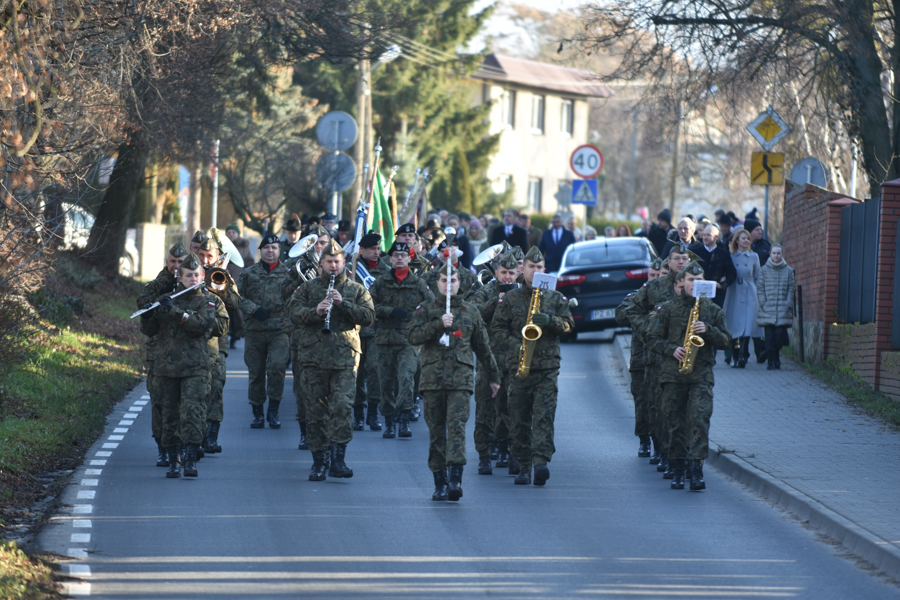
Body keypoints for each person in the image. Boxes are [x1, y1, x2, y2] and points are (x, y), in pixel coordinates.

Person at [409, 262, 500, 501]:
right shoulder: (426, 309)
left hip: (460, 379)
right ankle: (439, 481)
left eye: (453, 281)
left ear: (460, 283)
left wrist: (494, 377)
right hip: (432, 380)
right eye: (443, 281)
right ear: (436, 283)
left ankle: (455, 480)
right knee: (437, 432)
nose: (448, 285)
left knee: (457, 428)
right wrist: (439, 324)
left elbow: (483, 347)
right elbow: (412, 336)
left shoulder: (471, 311)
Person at [289, 239, 375, 481]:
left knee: (341, 407)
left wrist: (343, 304)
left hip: (345, 360)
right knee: (315, 412)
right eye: (328, 262)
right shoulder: (307, 289)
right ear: (321, 264)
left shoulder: (356, 289)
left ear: (344, 262)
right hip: (312, 359)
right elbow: (293, 312)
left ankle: (338, 458)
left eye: (337, 262)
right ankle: (319, 461)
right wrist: (315, 312)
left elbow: (369, 316)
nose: (333, 266)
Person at [491, 246, 574, 486]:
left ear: (544, 270)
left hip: (547, 367)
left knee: (544, 417)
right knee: (519, 418)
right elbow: (497, 330)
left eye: (539, 268)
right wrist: (516, 346)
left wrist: (551, 321)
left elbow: (568, 326)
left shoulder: (556, 297)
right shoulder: (511, 298)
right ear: (521, 269)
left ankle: (540, 462)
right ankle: (523, 466)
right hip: (518, 368)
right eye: (530, 267)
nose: (534, 271)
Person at [139, 253, 228, 478]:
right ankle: (173, 459)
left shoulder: (207, 301)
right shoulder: (167, 298)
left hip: (195, 368)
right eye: (188, 275)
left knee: (192, 413)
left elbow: (201, 324)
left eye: (196, 275)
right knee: (169, 415)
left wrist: (175, 312)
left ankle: (189, 459)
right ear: (179, 276)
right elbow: (149, 331)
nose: (192, 279)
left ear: (202, 276)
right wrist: (149, 315)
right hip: (166, 368)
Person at [647, 262, 731, 490]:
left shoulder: (713, 310)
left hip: (701, 375)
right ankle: (677, 467)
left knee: (699, 420)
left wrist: (709, 330)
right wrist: (671, 349)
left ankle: (696, 470)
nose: (694, 284)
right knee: (674, 424)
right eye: (690, 280)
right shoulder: (667, 309)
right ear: (681, 283)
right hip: (673, 375)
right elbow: (652, 339)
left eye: (699, 280)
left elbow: (727, 341)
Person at [624, 241, 695, 472]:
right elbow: (630, 309)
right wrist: (647, 328)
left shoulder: (697, 285)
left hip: (690, 360)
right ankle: (663, 451)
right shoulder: (655, 287)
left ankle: (684, 458)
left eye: (685, 259)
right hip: (657, 360)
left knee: (686, 411)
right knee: (659, 408)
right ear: (669, 261)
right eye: (677, 259)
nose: (681, 262)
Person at [370, 241, 435, 438]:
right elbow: (369, 306)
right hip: (384, 339)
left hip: (408, 340)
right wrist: (390, 311)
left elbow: (431, 305)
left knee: (406, 378)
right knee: (386, 383)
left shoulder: (419, 283)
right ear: (390, 259)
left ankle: (404, 419)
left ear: (409, 258)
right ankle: (389, 422)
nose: (399, 258)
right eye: (396, 255)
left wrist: (416, 315)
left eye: (403, 255)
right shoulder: (381, 282)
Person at [466, 251, 520, 473]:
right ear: (496, 273)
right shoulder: (486, 291)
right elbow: (473, 313)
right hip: (489, 360)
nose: (507, 277)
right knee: (485, 408)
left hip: (512, 359)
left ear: (518, 273)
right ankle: (484, 455)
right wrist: (495, 301)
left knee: (510, 409)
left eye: (511, 273)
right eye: (503, 273)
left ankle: (509, 450)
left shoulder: (523, 294)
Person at [137, 241, 188, 467]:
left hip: (186, 352)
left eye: (180, 262)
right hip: (159, 351)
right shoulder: (158, 282)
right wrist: (165, 289)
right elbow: (142, 301)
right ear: (166, 262)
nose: (176, 266)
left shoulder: (193, 281)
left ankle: (183, 447)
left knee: (184, 404)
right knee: (159, 402)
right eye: (172, 262)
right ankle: (162, 448)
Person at [237, 234, 291, 429]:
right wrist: (252, 308)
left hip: (280, 330)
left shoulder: (289, 274)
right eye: (267, 247)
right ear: (260, 250)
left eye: (274, 247)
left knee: (277, 368)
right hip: (255, 330)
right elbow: (235, 296)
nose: (270, 251)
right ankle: (258, 413)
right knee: (256, 372)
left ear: (279, 251)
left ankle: (274, 410)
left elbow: (299, 297)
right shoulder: (248, 273)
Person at [614, 256, 665, 459]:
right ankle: (644, 439)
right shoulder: (638, 296)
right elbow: (619, 314)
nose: (655, 279)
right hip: (640, 359)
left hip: (661, 360)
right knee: (642, 403)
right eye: (652, 275)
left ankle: (659, 443)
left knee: (659, 405)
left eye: (659, 276)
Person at [197, 235, 242, 454]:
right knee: (195, 391)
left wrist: (221, 284)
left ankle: (211, 437)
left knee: (216, 387)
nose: (206, 260)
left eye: (210, 256)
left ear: (217, 257)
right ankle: (194, 436)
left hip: (217, 342)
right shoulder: (190, 273)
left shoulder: (223, 275)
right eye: (202, 256)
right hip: (191, 342)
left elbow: (235, 303)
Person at [352, 232, 390, 431]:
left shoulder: (387, 271)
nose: (377, 252)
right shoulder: (351, 269)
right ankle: (358, 412)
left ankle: (373, 412)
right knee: (356, 373)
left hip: (377, 330)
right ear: (362, 250)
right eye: (372, 249)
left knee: (375, 371)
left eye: (378, 249)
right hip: (355, 329)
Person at [723, 229, 762, 368]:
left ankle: (743, 356)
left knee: (747, 324)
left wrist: (757, 293)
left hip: (749, 291)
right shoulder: (731, 256)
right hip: (734, 290)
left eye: (748, 238)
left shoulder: (754, 256)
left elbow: (758, 276)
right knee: (733, 324)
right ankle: (734, 355)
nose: (746, 241)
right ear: (737, 241)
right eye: (743, 238)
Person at [757, 244, 795, 370]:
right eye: (774, 253)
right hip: (767, 308)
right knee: (768, 336)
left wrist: (788, 302)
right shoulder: (764, 270)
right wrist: (763, 302)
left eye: (778, 253)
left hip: (782, 309)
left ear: (782, 254)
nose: (776, 255)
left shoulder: (788, 270)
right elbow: (760, 287)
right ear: (770, 254)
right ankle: (770, 361)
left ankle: (776, 355)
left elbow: (791, 288)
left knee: (778, 335)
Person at [689, 224, 736, 308]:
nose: (705, 237)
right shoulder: (694, 253)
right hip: (696, 296)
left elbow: (732, 273)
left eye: (708, 235)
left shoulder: (724, 254)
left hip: (716, 297)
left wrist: (722, 284)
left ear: (716, 237)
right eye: (704, 235)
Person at [225, 223, 254, 348]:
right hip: (224, 281)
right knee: (225, 310)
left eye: (233, 232)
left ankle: (237, 335)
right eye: (229, 232)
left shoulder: (244, 246)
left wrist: (248, 276)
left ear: (238, 234)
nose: (231, 234)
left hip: (238, 281)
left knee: (237, 309)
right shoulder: (222, 245)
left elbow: (249, 261)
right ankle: (228, 334)